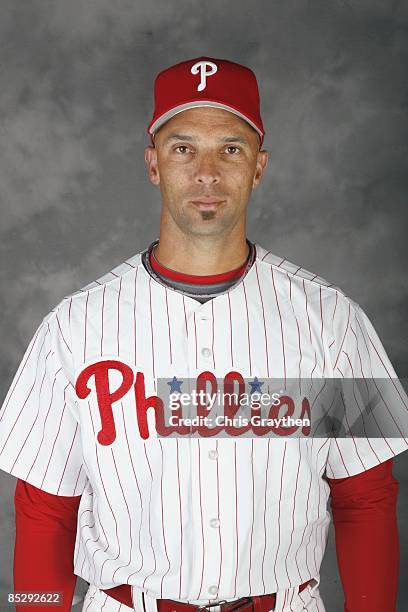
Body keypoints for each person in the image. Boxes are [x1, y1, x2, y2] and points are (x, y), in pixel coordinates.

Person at [0, 56, 407, 612]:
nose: (206, 173)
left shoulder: (335, 320)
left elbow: (367, 499)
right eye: (183, 147)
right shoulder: (73, 327)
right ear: (153, 163)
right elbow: (45, 511)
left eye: (231, 149)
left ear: (259, 167)